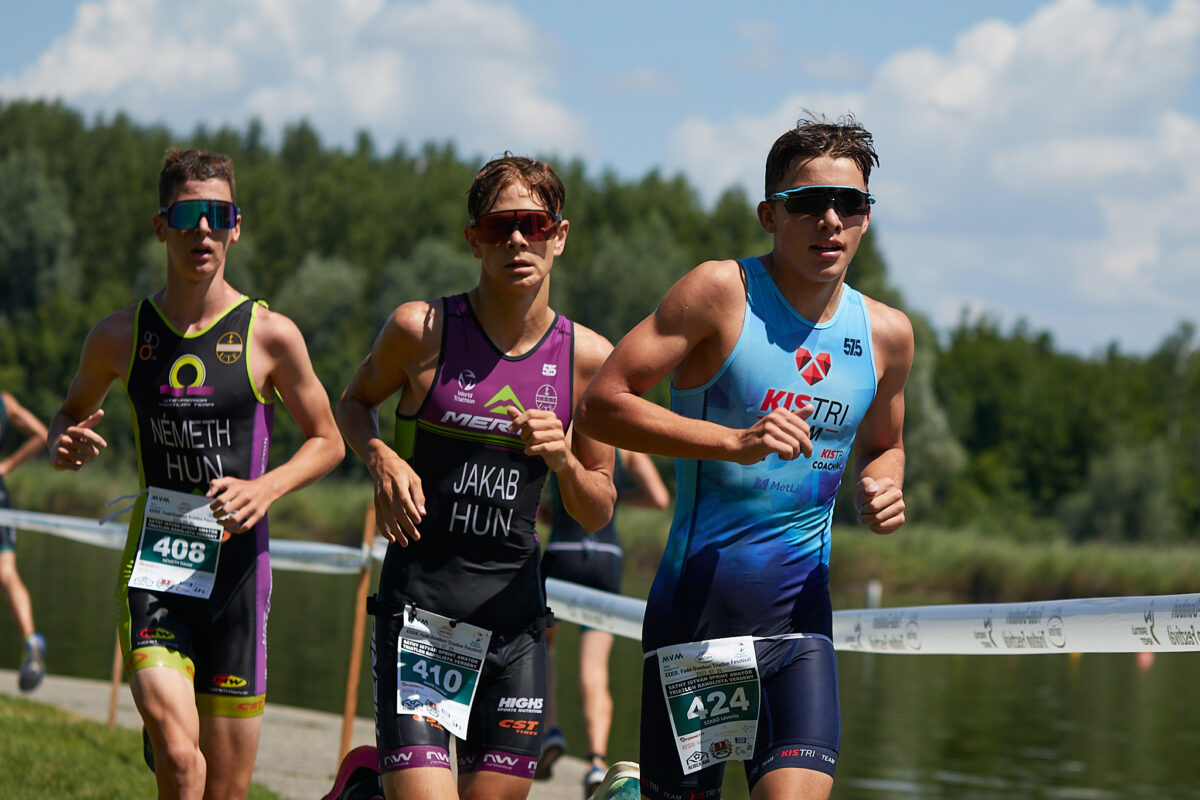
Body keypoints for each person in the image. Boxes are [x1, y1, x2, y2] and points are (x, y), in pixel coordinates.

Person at [575, 114, 913, 800]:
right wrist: (733, 442)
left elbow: (885, 446)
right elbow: (602, 404)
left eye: (849, 204)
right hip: (698, 620)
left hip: (800, 626)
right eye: (808, 202)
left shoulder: (887, 335)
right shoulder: (720, 294)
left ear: (867, 219)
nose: (830, 219)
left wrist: (882, 486)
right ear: (769, 214)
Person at [47, 148, 345, 800]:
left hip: (240, 576)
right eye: (187, 215)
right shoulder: (119, 336)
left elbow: (330, 441)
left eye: (218, 215)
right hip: (160, 560)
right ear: (162, 227)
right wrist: (63, 441)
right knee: (183, 765)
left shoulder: (272, 336)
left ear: (236, 225)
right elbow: (68, 416)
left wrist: (265, 489)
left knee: (224, 791)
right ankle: (168, 733)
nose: (202, 230)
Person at [336, 154, 617, 800]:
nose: (517, 240)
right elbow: (352, 403)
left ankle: (366, 791)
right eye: (498, 228)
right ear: (474, 241)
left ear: (560, 235)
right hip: (422, 615)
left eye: (534, 224)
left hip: (515, 631)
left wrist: (566, 460)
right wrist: (381, 458)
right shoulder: (422, 331)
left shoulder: (587, 361)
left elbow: (598, 506)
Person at [536, 447, 669, 795]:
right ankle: (596, 762)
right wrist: (617, 498)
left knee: (540, 650)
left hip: (562, 550)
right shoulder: (627, 447)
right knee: (595, 669)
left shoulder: (563, 431)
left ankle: (550, 729)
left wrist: (550, 506)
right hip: (606, 558)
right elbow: (659, 497)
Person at [0, 391, 50, 691]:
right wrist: (6, 466)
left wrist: (6, 465)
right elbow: (42, 434)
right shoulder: (5, 403)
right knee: (7, 573)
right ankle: (30, 639)